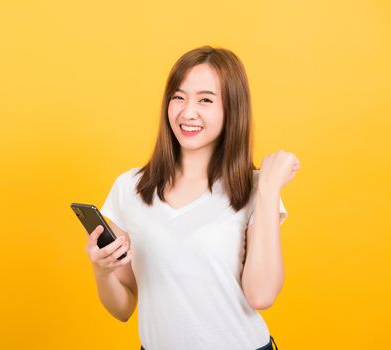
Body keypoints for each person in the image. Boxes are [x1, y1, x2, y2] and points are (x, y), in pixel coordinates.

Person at [84, 45, 300, 350]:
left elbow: (262, 295)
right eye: (178, 97)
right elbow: (123, 308)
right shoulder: (130, 188)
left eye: (206, 100)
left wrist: (268, 189)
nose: (188, 112)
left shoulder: (255, 189)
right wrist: (102, 272)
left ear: (232, 109)